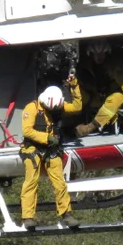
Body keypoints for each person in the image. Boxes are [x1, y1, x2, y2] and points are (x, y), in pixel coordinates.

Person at [20, 76, 82, 230]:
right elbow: (27, 131)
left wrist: (74, 85)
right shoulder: (31, 108)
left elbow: (77, 107)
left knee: (59, 182)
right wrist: (46, 138)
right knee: (31, 182)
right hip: (32, 148)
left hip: (51, 150)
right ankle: (28, 217)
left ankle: (66, 214)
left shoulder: (59, 106)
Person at [75, 39, 123, 137]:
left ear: (107, 53)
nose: (99, 57)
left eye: (102, 54)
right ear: (90, 54)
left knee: (117, 98)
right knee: (78, 96)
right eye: (95, 54)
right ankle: (68, 126)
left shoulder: (114, 65)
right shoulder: (84, 66)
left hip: (112, 95)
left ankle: (90, 127)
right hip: (95, 97)